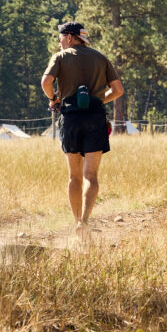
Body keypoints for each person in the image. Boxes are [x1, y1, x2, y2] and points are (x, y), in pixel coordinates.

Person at [40, 21, 125, 238]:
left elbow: (46, 81)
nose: (59, 44)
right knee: (91, 175)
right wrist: (98, 100)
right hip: (95, 118)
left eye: (60, 39)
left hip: (70, 118)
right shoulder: (100, 57)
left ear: (69, 37)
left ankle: (76, 219)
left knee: (74, 177)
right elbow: (118, 90)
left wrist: (54, 99)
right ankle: (84, 223)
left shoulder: (61, 57)